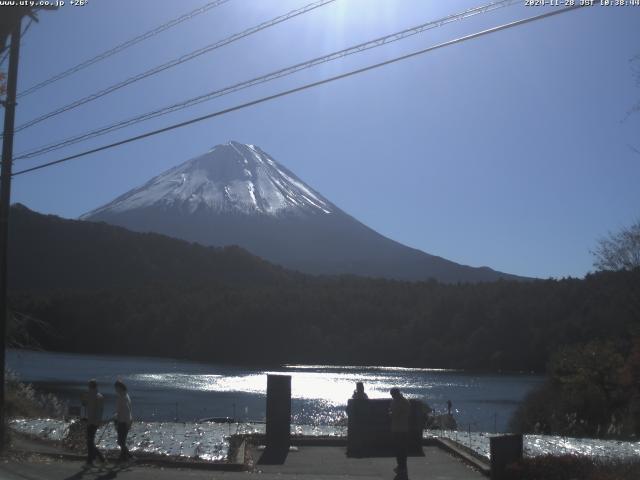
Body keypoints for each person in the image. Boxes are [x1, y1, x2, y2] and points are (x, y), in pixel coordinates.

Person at [82, 379, 105, 465]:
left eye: (89, 386)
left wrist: (97, 422)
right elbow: (86, 405)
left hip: (93, 422)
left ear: (91, 387)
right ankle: (91, 459)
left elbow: (99, 411)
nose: (88, 388)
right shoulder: (94, 396)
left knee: (90, 441)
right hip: (91, 421)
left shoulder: (97, 397)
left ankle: (98, 458)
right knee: (89, 441)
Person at [389, 387, 410, 478]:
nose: (392, 396)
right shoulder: (405, 401)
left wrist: (390, 414)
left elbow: (394, 414)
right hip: (404, 428)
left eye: (392, 395)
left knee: (399, 449)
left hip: (398, 428)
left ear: (395, 394)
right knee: (403, 449)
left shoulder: (397, 402)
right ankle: (402, 466)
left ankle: (401, 467)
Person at [114, 379, 133, 460]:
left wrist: (127, 422)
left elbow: (126, 411)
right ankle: (123, 458)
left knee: (121, 441)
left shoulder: (123, 397)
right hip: (124, 421)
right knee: (122, 441)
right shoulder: (125, 395)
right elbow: (122, 410)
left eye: (116, 388)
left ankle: (129, 456)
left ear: (120, 388)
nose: (115, 390)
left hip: (123, 422)